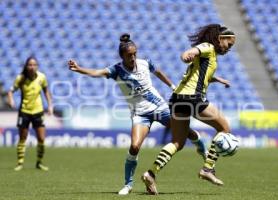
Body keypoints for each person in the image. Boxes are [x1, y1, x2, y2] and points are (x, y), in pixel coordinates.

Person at [68, 33, 207, 195]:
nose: (133, 57)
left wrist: (172, 86)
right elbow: (97, 73)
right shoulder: (116, 70)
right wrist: (78, 69)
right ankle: (128, 184)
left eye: (135, 54)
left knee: (186, 132)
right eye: (129, 55)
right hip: (140, 114)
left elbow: (159, 72)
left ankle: (201, 149)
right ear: (122, 56)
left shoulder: (145, 63)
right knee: (134, 147)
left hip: (160, 108)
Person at [141, 24, 235, 195]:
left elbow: (201, 74)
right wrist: (187, 54)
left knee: (178, 142)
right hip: (193, 99)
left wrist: (218, 79)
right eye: (229, 44)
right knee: (224, 128)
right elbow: (190, 53)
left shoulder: (211, 55)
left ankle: (151, 173)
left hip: (177, 99)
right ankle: (208, 169)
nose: (229, 48)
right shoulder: (208, 47)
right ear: (220, 38)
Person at [7, 56, 53, 171]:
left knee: (41, 139)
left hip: (38, 111)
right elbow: (11, 91)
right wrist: (11, 99)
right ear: (26, 66)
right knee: (23, 138)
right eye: (30, 65)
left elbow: (46, 91)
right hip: (24, 111)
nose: (32, 67)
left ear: (37, 66)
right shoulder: (20, 78)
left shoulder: (42, 77)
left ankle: (39, 162)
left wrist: (50, 105)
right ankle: (20, 163)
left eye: (34, 65)